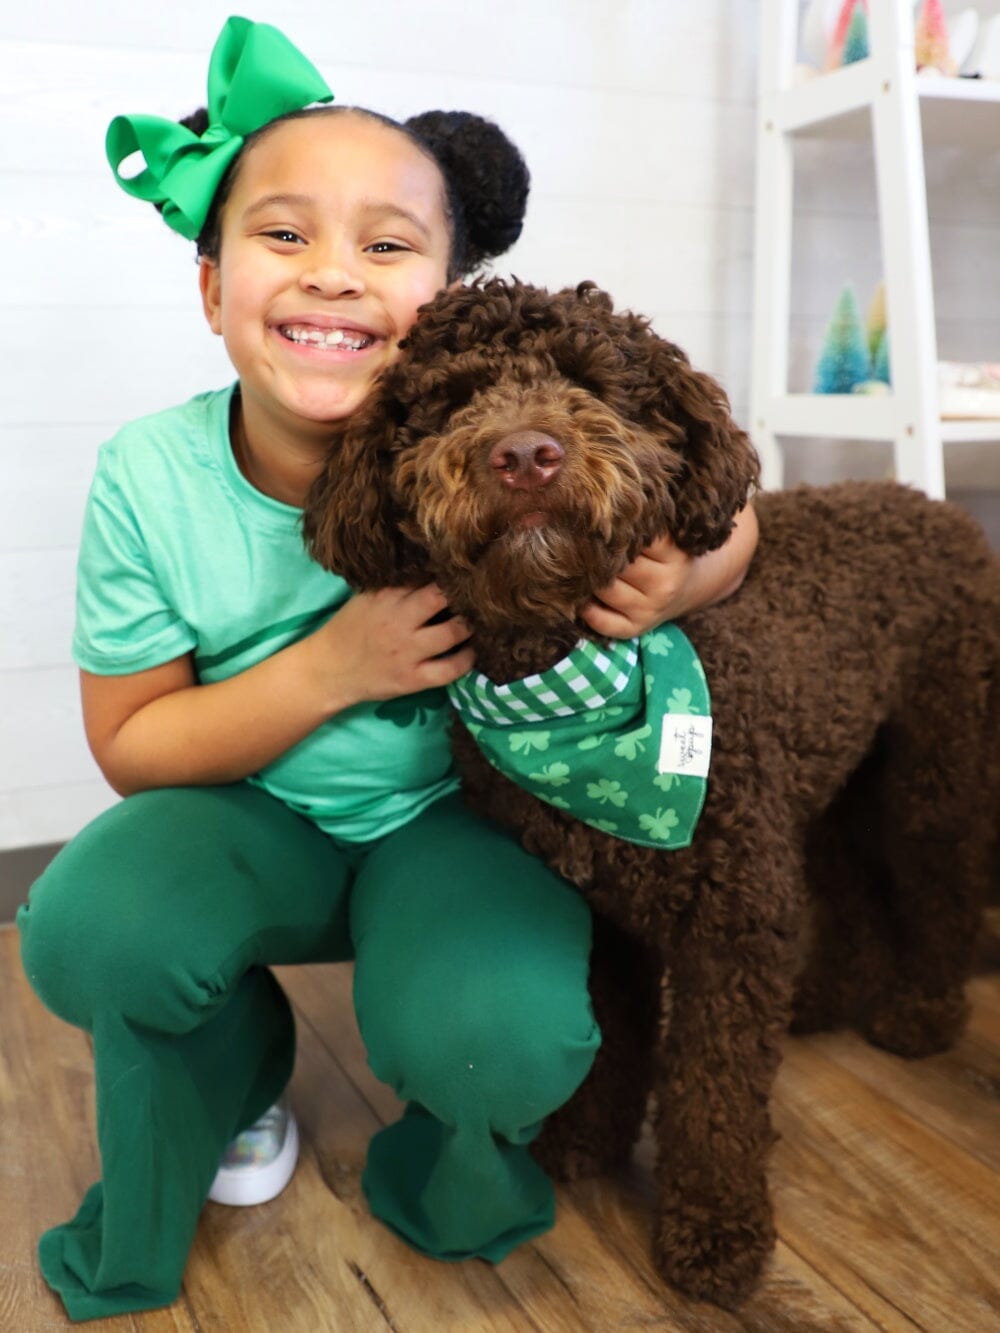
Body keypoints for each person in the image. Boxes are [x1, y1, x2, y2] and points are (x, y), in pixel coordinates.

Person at [17, 17, 759, 1323]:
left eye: (388, 244)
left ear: (454, 294)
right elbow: (131, 743)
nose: (335, 276)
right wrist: (333, 666)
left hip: (455, 820)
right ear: (210, 286)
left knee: (509, 1027)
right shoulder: (148, 472)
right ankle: (234, 1072)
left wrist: (693, 573)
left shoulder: (511, 425)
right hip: (248, 815)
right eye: (285, 234)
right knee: (91, 926)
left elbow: (713, 468)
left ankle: (450, 1156)